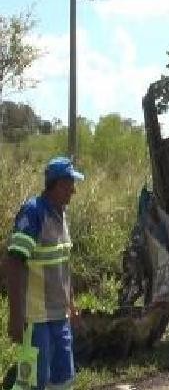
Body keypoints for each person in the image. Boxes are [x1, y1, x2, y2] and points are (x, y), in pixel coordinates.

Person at [3, 157, 84, 390]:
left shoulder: (61, 215)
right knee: (32, 383)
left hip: (60, 316)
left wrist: (71, 304)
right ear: (58, 185)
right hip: (35, 318)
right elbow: (14, 263)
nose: (74, 191)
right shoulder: (33, 213)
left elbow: (63, 265)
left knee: (63, 380)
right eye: (70, 184)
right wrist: (16, 317)